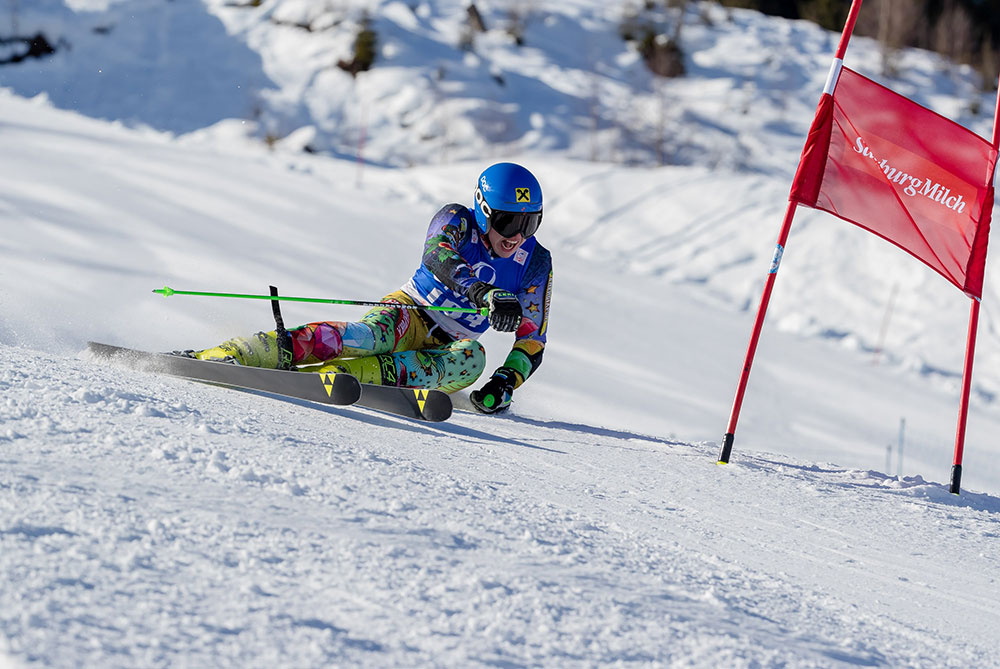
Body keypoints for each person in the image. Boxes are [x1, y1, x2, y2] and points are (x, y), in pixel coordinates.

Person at [189, 162, 552, 414]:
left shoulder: (535, 262)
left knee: (473, 357)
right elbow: (436, 256)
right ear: (484, 210)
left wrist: (506, 381)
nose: (517, 235)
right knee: (372, 336)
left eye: (530, 223)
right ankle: (239, 352)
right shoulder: (457, 219)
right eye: (508, 222)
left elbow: (532, 337)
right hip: (410, 311)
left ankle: (343, 377)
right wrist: (483, 293)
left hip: (448, 344)